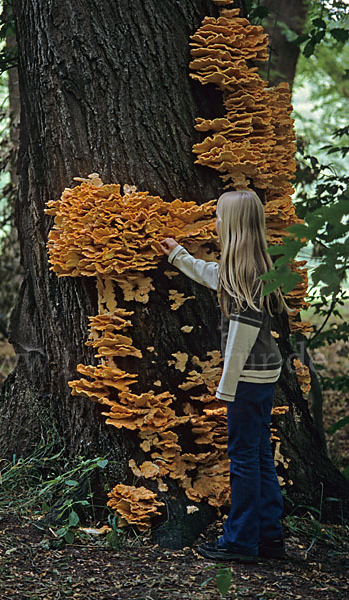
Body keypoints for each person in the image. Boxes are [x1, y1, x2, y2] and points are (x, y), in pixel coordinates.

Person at [160, 189, 290, 563]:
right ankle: (269, 536)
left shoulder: (245, 276)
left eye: (218, 217)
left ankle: (240, 540)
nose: (214, 223)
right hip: (264, 374)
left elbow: (241, 338)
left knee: (245, 458)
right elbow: (213, 275)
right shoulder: (250, 268)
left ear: (231, 226)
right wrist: (178, 255)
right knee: (260, 454)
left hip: (247, 378)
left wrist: (226, 386)